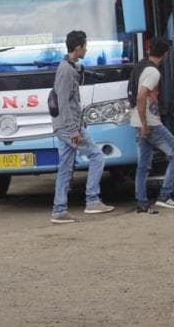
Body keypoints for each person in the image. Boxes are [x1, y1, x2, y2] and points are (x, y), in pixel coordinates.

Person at [50, 30, 114, 224]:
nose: (87, 49)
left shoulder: (68, 67)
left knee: (65, 168)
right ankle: (92, 200)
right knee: (97, 156)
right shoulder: (66, 71)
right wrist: (73, 131)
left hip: (65, 126)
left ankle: (59, 210)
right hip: (69, 126)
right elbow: (62, 102)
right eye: (85, 46)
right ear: (78, 48)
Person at [130, 37, 174, 213]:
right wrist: (145, 124)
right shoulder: (153, 72)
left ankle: (142, 203)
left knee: (144, 165)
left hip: (136, 121)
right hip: (150, 123)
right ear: (165, 54)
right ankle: (165, 195)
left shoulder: (140, 66)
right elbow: (141, 97)